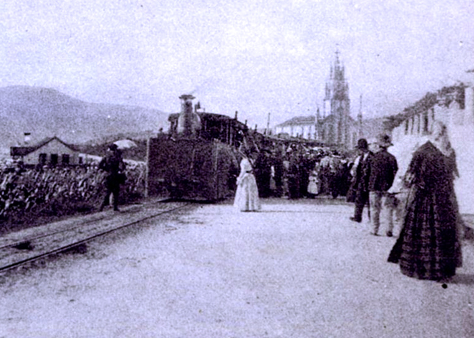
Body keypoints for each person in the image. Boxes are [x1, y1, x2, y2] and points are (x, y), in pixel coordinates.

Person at [388, 121, 463, 281]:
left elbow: (410, 177)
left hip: (429, 198)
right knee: (440, 232)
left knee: (426, 231)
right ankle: (439, 270)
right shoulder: (443, 151)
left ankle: (428, 269)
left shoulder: (426, 151)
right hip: (439, 198)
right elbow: (450, 176)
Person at [367, 134, 398, 236]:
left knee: (374, 208)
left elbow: (367, 173)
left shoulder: (372, 158)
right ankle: (388, 229)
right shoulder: (392, 158)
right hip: (388, 187)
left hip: (373, 186)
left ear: (378, 146)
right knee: (388, 208)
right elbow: (395, 173)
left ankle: (374, 229)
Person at [347, 138, 373, 223]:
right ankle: (357, 217)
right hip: (361, 182)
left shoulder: (372, 156)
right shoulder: (360, 157)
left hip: (368, 181)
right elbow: (355, 168)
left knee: (370, 201)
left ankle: (371, 218)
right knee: (359, 199)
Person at [99, 143, 126, 212]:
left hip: (108, 175)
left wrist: (106, 169)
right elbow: (123, 166)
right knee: (116, 192)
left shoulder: (106, 156)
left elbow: (100, 165)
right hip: (115, 175)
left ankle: (101, 207)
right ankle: (115, 207)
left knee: (108, 191)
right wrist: (120, 170)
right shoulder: (118, 157)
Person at [233, 147, 261, 212]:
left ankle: (245, 206)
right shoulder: (250, 160)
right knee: (251, 192)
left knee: (244, 191)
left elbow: (243, 171)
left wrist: (239, 178)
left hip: (245, 176)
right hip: (251, 176)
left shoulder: (244, 161)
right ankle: (252, 206)